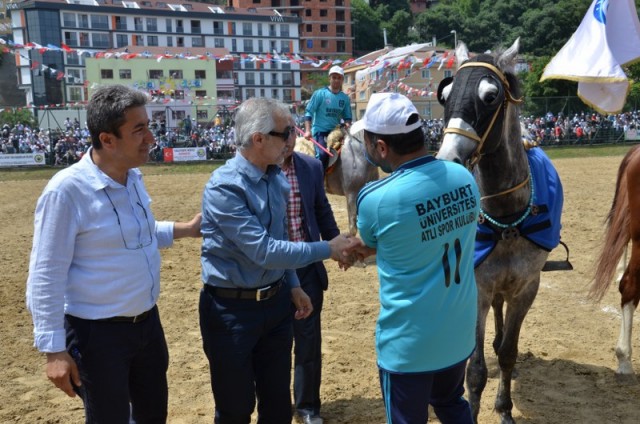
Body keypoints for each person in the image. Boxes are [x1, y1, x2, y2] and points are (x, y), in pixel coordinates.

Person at [26, 84, 202, 423]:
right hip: (97, 336)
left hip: (147, 327)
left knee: (152, 416)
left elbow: (139, 233)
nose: (150, 137)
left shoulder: (132, 177)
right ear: (107, 139)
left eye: (148, 126)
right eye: (139, 130)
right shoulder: (66, 191)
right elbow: (45, 273)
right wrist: (53, 350)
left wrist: (185, 229)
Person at [199, 97, 356, 424]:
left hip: (274, 304)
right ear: (259, 139)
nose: (293, 139)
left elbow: (280, 235)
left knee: (276, 407)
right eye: (286, 132)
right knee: (235, 409)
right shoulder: (224, 187)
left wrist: (294, 284)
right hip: (232, 312)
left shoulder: (275, 179)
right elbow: (265, 250)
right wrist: (327, 248)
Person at [347, 92, 480, 424]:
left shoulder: (376, 198)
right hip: (459, 330)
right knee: (452, 402)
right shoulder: (464, 177)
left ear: (381, 148)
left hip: (409, 344)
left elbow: (373, 241)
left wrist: (354, 250)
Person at [281, 140, 340, 424]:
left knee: (308, 341)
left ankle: (307, 406)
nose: (289, 139)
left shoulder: (311, 167)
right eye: (282, 133)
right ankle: (276, 403)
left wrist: (336, 245)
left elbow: (321, 210)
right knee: (273, 343)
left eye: (291, 131)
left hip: (306, 268)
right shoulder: (256, 169)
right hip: (271, 270)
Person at [304, 65, 352, 169]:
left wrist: (347, 123)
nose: (336, 80)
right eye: (334, 77)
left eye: (339, 78)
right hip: (320, 132)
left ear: (342, 80)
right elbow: (309, 112)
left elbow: (348, 117)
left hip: (336, 132)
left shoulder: (344, 98)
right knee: (322, 155)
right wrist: (308, 131)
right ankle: (319, 181)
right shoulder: (319, 94)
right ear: (329, 78)